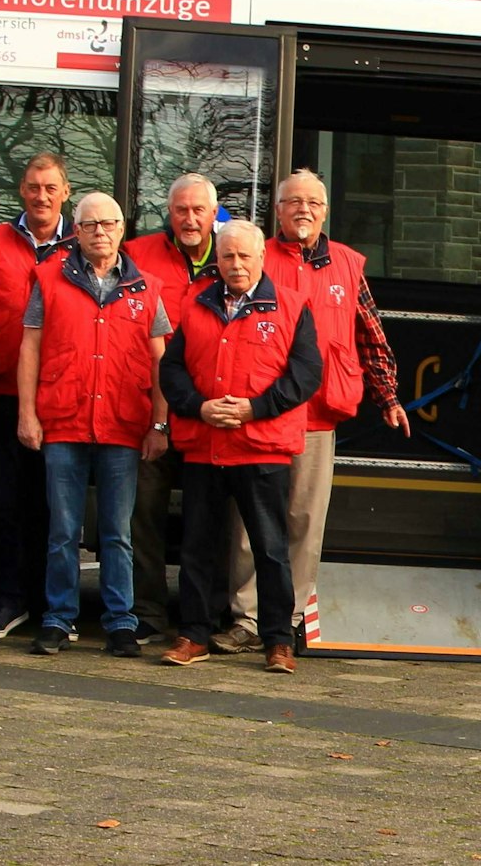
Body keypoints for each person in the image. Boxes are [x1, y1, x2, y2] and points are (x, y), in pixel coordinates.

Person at [211, 170, 411, 654]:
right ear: (276, 209)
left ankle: (290, 616)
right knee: (248, 524)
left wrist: (388, 396)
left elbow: (370, 332)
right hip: (262, 414)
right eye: (292, 201)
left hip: (319, 415)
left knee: (304, 519)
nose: (303, 210)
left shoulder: (346, 264)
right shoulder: (257, 255)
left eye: (313, 202)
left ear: (325, 211)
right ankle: (247, 618)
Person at [158, 220, 322, 675]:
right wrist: (198, 407)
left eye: (245, 256)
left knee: (270, 548)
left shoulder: (292, 305)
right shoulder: (194, 307)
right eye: (227, 257)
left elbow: (307, 374)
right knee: (197, 546)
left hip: (261, 447)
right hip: (205, 445)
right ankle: (193, 634)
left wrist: (255, 409)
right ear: (219, 260)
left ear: (261, 258)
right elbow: (171, 373)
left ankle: (277, 641)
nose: (235, 265)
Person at [15, 192, 170, 658]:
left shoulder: (148, 287)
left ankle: (120, 622)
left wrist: (159, 425)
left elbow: (161, 360)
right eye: (89, 225)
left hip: (123, 426)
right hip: (63, 421)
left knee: (117, 532)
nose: (100, 232)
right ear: (75, 231)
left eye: (108, 223)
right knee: (62, 530)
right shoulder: (48, 279)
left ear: (123, 228)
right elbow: (30, 348)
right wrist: (27, 413)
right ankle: (59, 619)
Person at [0, 153, 76, 638]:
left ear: (66, 192)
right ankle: (10, 597)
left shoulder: (83, 244)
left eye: (50, 187)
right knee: (6, 501)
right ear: (22, 190)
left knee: (54, 504)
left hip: (59, 393)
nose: (41, 195)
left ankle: (50, 603)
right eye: (33, 187)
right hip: (1, 392)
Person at [124, 173, 225, 641]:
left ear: (213, 214)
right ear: (170, 212)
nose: (189, 219)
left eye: (198, 210)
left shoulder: (232, 258)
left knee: (208, 520)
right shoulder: (138, 254)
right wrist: (156, 420)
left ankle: (201, 615)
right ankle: (147, 611)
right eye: (180, 210)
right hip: (150, 410)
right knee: (144, 512)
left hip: (210, 412)